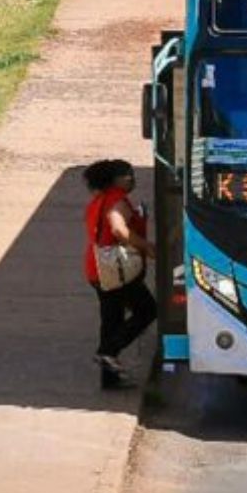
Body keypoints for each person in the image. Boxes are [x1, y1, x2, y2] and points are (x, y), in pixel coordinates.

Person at [83, 159, 156, 389]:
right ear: (114, 179)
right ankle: (107, 352)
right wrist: (146, 246)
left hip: (97, 266)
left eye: (132, 173)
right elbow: (118, 229)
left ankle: (110, 378)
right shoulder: (116, 199)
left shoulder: (98, 200)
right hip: (116, 269)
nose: (132, 178)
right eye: (126, 174)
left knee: (111, 319)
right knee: (147, 310)